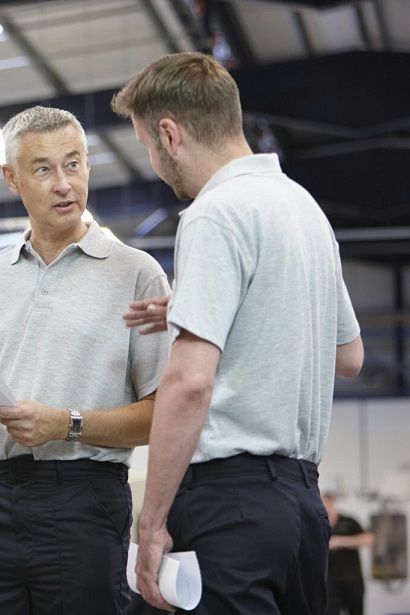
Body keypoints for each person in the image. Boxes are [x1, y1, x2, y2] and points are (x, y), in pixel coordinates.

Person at [110, 52, 365, 614]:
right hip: (300, 510)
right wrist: (211, 303)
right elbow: (349, 355)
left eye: (147, 146)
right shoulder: (305, 210)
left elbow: (190, 383)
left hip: (231, 507)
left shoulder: (214, 213)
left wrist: (150, 523)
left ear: (169, 134)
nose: (152, 161)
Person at [0, 105, 172, 614]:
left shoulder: (135, 273)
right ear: (12, 179)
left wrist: (66, 424)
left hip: (84, 503)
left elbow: (161, 414)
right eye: (43, 169)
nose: (64, 184)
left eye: (74, 163)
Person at [324, 493, 374, 615]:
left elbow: (368, 538)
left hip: (353, 579)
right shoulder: (319, 525)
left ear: (331, 504)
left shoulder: (349, 521)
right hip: (330, 582)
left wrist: (339, 541)